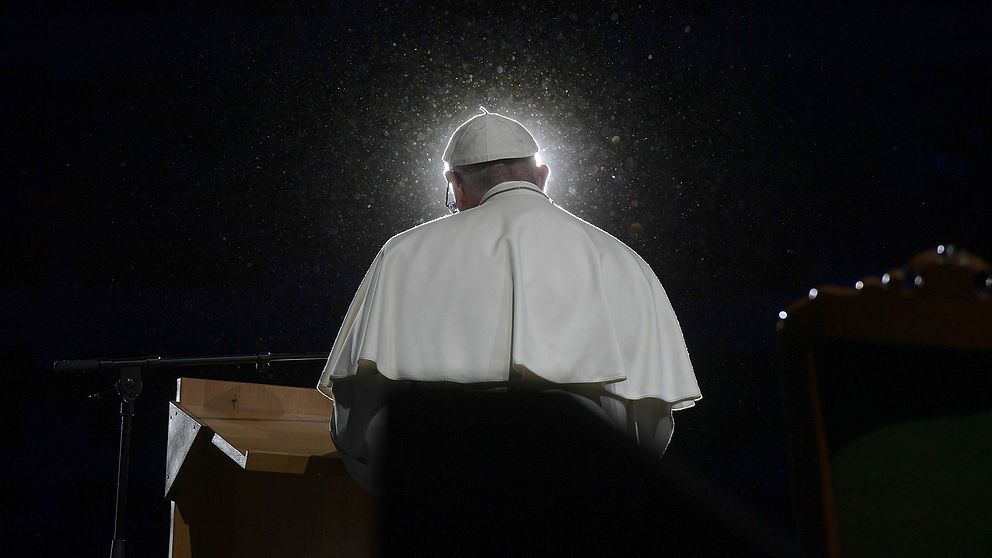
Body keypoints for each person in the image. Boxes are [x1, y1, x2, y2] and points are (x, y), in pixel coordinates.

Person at [317, 107, 701, 492]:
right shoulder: (621, 261)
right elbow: (650, 426)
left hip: (442, 493)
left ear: (455, 185)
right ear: (543, 177)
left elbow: (358, 418)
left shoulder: (403, 254)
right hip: (579, 495)